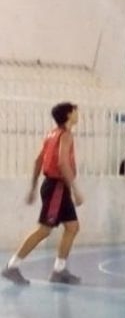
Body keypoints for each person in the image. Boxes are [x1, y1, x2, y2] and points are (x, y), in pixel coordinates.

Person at [2, 102, 83, 286]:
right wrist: (76, 189)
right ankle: (12, 266)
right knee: (44, 230)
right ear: (68, 115)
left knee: (72, 227)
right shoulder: (65, 135)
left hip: (54, 186)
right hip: (57, 188)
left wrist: (33, 187)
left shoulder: (51, 134)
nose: (78, 113)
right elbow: (62, 163)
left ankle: (59, 270)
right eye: (75, 111)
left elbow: (38, 160)